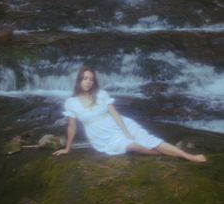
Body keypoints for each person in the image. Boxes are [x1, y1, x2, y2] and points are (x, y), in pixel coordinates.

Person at [53, 66, 207, 163]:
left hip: (121, 125)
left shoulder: (101, 94)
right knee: (134, 146)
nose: (88, 82)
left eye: (91, 79)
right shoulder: (71, 102)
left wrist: (126, 131)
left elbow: (115, 114)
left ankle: (188, 156)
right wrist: (67, 148)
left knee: (150, 140)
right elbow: (71, 127)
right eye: (85, 78)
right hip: (100, 137)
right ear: (79, 80)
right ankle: (169, 154)